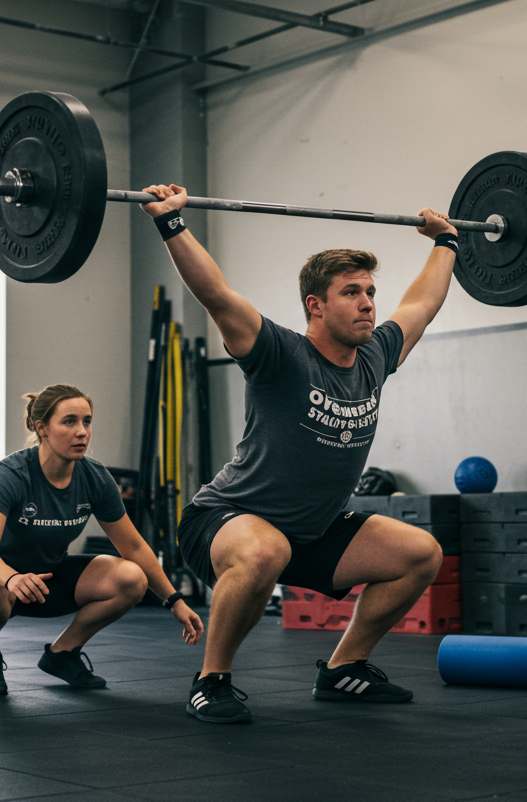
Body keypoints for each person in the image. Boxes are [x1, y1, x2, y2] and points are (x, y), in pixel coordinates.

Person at [140, 183, 457, 724]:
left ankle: (344, 669)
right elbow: (217, 294)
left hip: (310, 530)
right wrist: (172, 222)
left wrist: (447, 241)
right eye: (351, 292)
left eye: (369, 292)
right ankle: (210, 679)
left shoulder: (373, 357)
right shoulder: (280, 353)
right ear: (316, 304)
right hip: (225, 520)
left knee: (420, 554)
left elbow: (421, 305)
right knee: (265, 552)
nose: (367, 304)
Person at [0, 384, 204, 695]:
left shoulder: (95, 478)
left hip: (49, 575)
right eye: (69, 421)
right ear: (41, 428)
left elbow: (135, 547)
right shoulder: (11, 474)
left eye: (87, 421)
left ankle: (63, 653)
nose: (82, 432)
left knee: (131, 578)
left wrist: (174, 601)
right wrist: (12, 578)